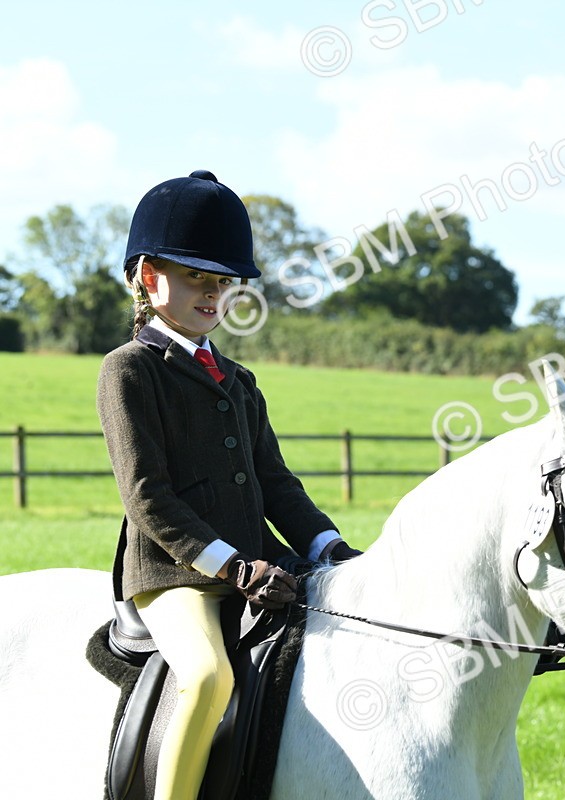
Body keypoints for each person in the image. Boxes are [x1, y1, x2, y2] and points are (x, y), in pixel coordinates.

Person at [97, 170, 361, 800]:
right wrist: (233, 567)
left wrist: (330, 547)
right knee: (208, 674)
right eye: (196, 279)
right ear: (146, 277)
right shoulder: (129, 370)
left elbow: (276, 484)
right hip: (172, 573)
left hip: (258, 562)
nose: (213, 295)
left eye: (222, 283)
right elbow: (147, 496)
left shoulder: (240, 381)